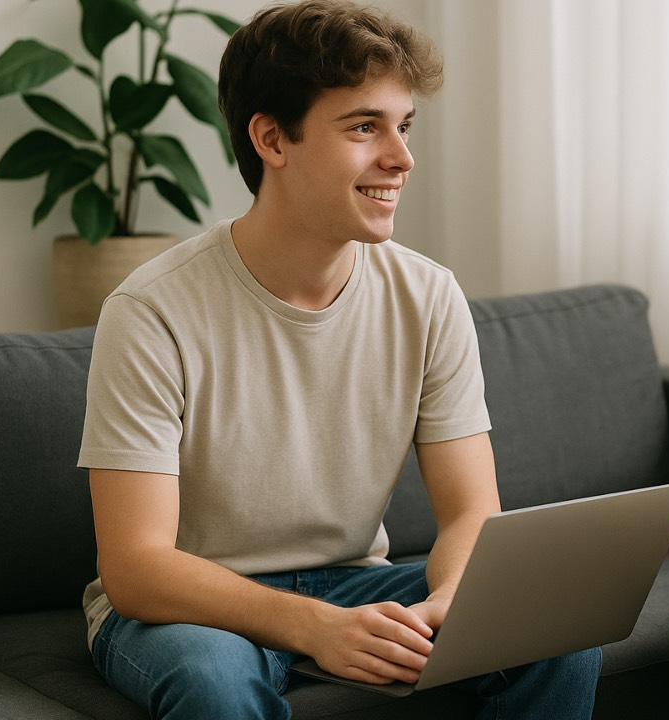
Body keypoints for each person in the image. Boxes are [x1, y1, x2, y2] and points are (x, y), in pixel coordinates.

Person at [77, 2, 601, 718]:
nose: (402, 157)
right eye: (364, 127)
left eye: (404, 126)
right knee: (213, 682)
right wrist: (312, 627)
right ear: (271, 138)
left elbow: (470, 513)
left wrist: (452, 604)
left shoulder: (429, 296)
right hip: (191, 606)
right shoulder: (151, 311)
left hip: (356, 582)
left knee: (552, 628)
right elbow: (136, 569)